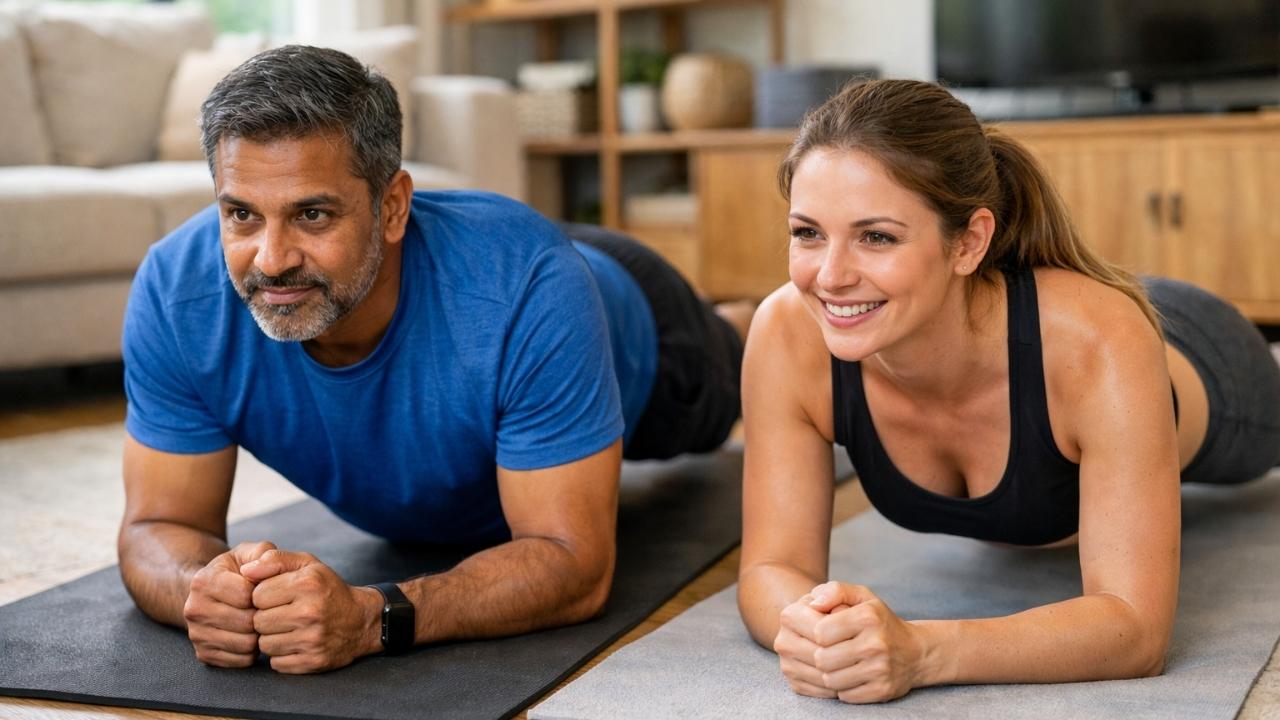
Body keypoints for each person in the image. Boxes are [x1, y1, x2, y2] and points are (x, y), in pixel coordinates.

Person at [118, 45, 746, 675]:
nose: (272, 259)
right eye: (241, 215)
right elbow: (157, 525)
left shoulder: (532, 287)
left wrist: (372, 618)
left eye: (312, 214)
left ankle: (740, 318)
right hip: (489, 267)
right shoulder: (178, 295)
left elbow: (574, 564)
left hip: (643, 328)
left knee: (742, 370)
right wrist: (201, 590)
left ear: (391, 207)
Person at [737, 79, 1280, 703]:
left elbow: (1135, 629)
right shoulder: (787, 331)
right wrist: (812, 626)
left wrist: (921, 652)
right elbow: (767, 571)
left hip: (1211, 364)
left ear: (969, 241)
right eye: (807, 233)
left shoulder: (1097, 342)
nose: (829, 276)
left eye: (876, 236)